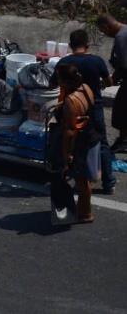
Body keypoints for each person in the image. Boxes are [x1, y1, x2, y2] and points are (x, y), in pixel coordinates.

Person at [53, 29, 115, 194]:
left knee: (70, 142)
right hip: (94, 107)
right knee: (101, 143)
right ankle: (108, 183)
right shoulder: (97, 61)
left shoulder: (64, 63)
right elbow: (109, 82)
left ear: (70, 45)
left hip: (72, 109)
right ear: (87, 45)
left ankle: (70, 176)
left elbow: (52, 85)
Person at [55, 64, 101, 224]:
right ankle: (83, 209)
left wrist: (67, 154)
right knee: (85, 179)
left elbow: (69, 131)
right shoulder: (86, 88)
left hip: (81, 143)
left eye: (59, 78)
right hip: (92, 136)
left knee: (82, 181)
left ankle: (85, 213)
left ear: (65, 81)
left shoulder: (71, 101)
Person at [96, 14, 127, 153]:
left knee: (121, 110)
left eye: (103, 31)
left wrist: (110, 80)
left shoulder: (121, 37)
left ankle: (124, 141)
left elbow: (124, 65)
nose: (105, 34)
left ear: (106, 26)